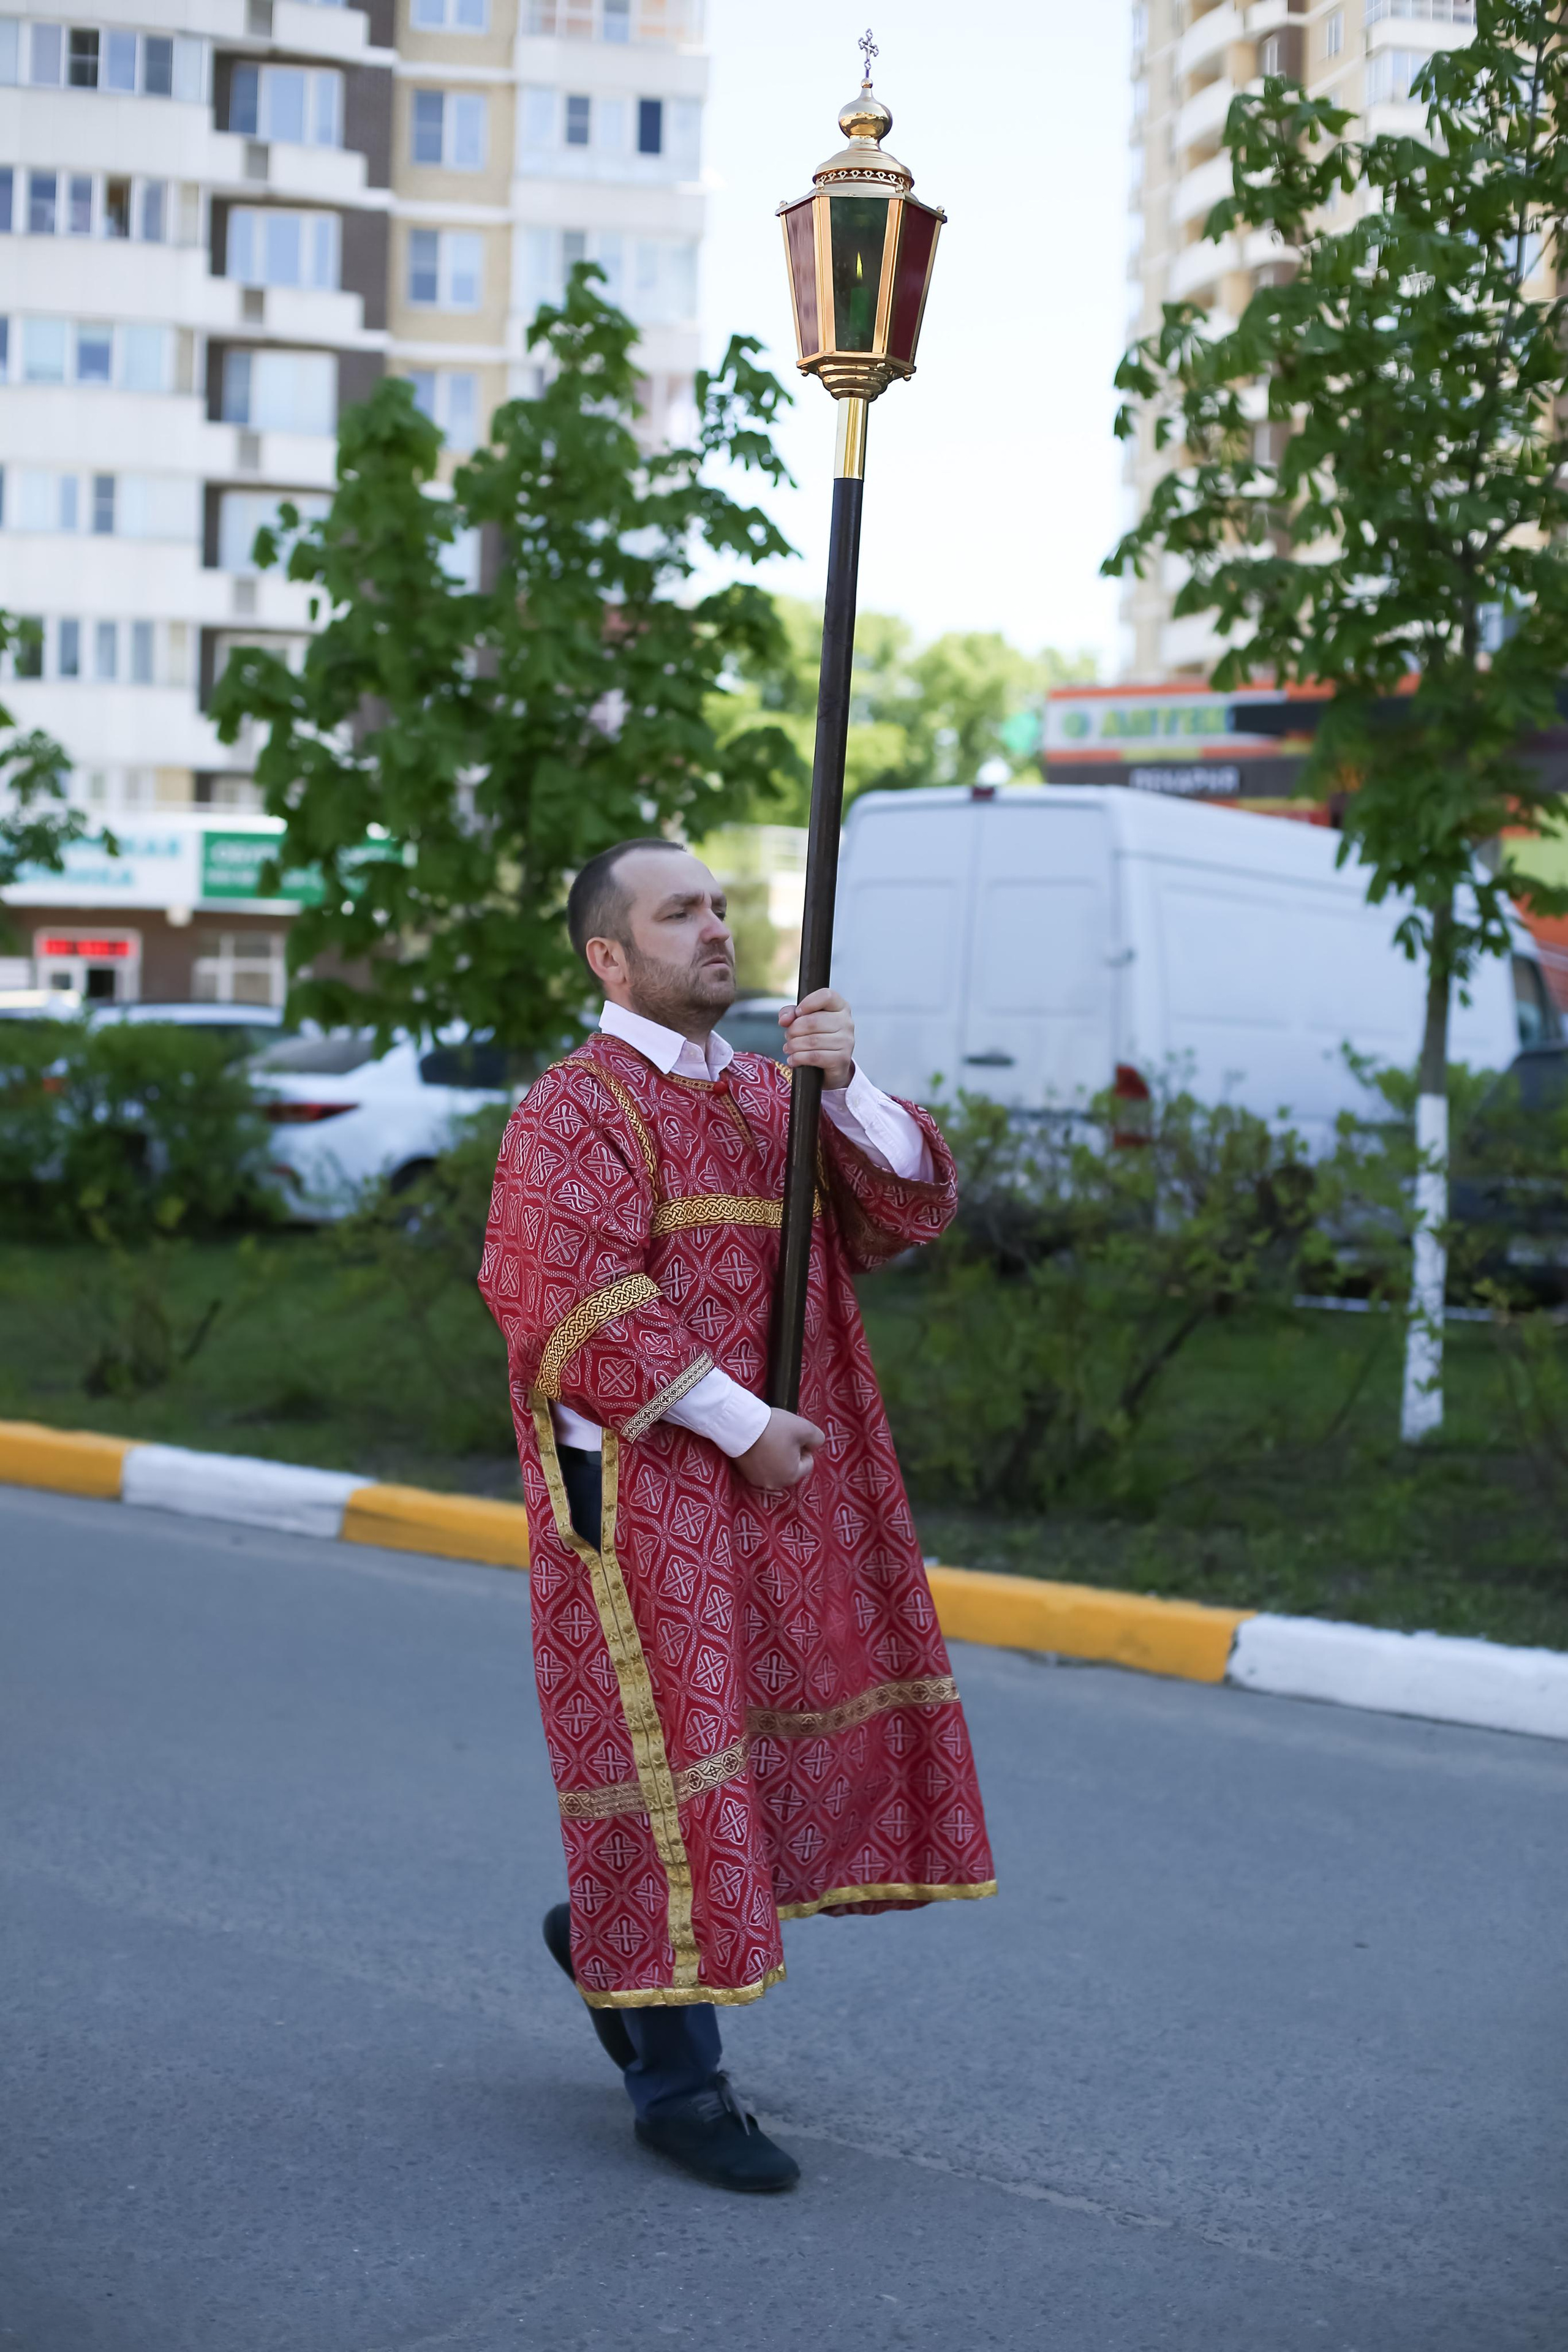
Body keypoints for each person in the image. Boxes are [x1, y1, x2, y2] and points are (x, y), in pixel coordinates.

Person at [478, 838, 995, 2193]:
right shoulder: (569, 1110)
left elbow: (901, 1207)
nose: (715, 928)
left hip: (786, 1482)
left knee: (741, 1765)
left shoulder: (775, 1095)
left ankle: (615, 1937)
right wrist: (738, 1424)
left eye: (718, 906)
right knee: (670, 1760)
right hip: (647, 1496)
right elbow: (573, 1301)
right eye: (677, 913)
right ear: (608, 955)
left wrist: (849, 1083)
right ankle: (679, 2087)